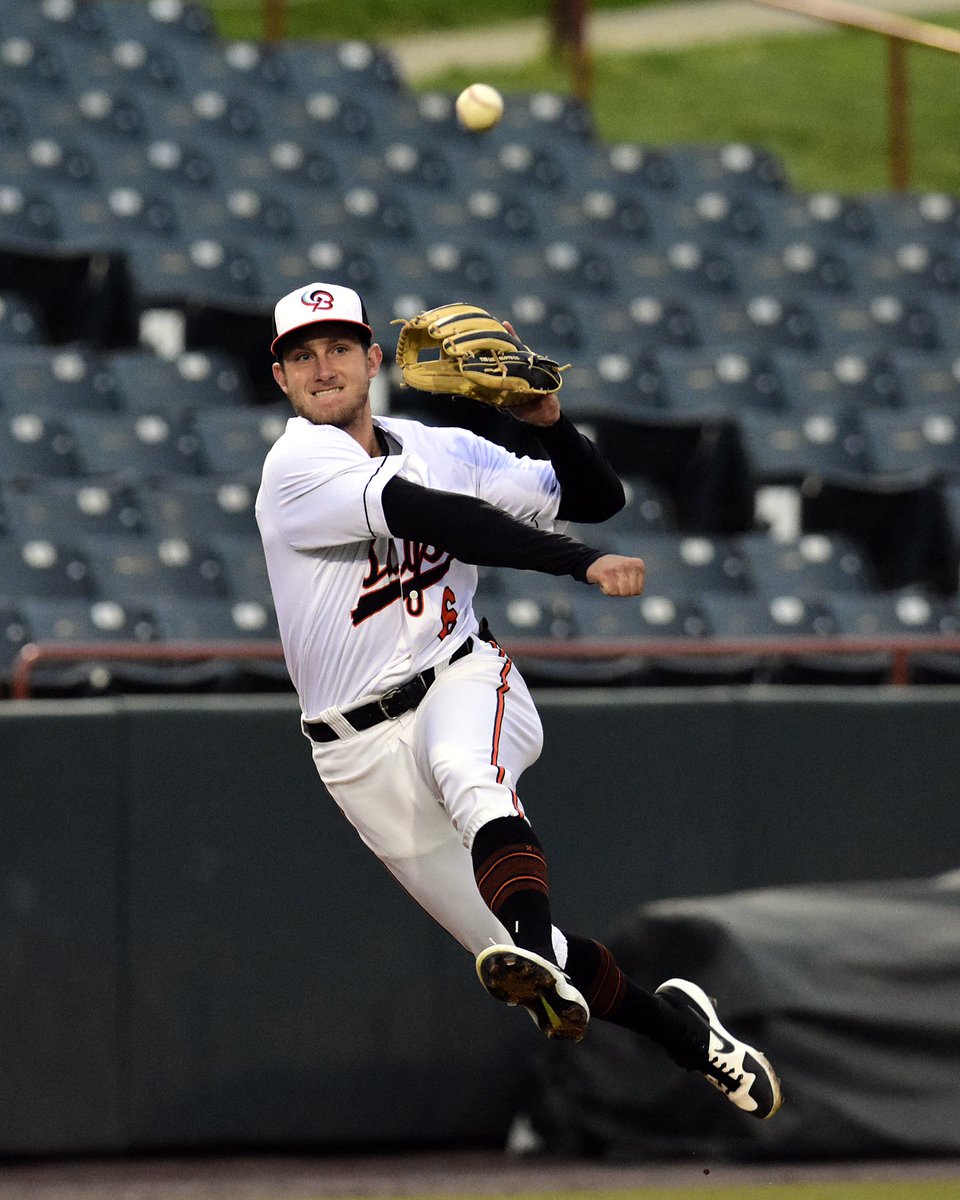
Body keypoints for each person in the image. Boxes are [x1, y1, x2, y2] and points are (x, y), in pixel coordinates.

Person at [255, 282, 782, 1121]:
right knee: (529, 951)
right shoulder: (296, 467)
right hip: (352, 749)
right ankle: (690, 1038)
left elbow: (596, 496)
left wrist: (547, 420)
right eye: (302, 355)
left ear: (372, 359)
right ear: (280, 377)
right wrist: (576, 562)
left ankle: (531, 955)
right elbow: (432, 515)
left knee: (470, 774)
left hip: (462, 676)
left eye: (340, 348)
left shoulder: (444, 445)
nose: (323, 367)